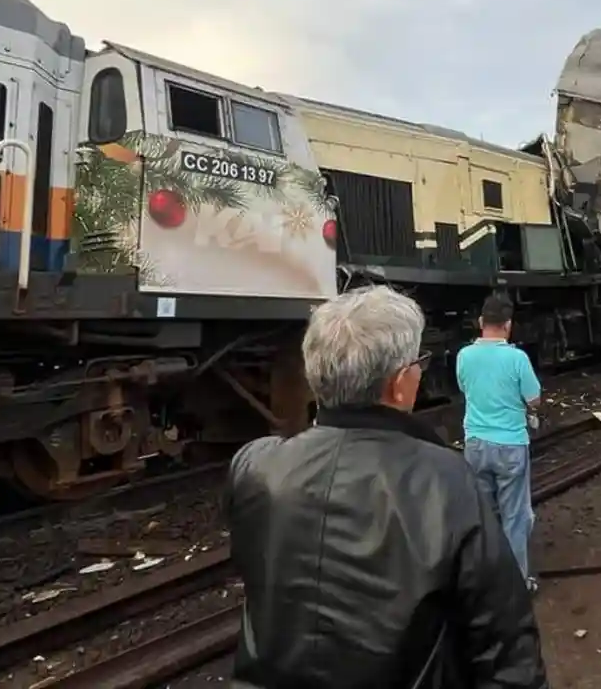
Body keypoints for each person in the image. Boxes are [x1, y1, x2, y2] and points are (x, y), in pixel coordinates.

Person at [224, 285, 550, 689]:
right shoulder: (446, 480)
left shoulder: (254, 466)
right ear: (398, 384)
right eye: (419, 364)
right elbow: (505, 652)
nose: (420, 373)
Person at [457, 294, 542, 593]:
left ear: (481, 322)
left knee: (483, 516)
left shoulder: (463, 356)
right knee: (515, 517)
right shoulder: (517, 359)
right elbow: (534, 399)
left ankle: (484, 584)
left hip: (476, 445)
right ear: (508, 325)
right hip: (510, 446)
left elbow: (464, 388)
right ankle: (516, 587)